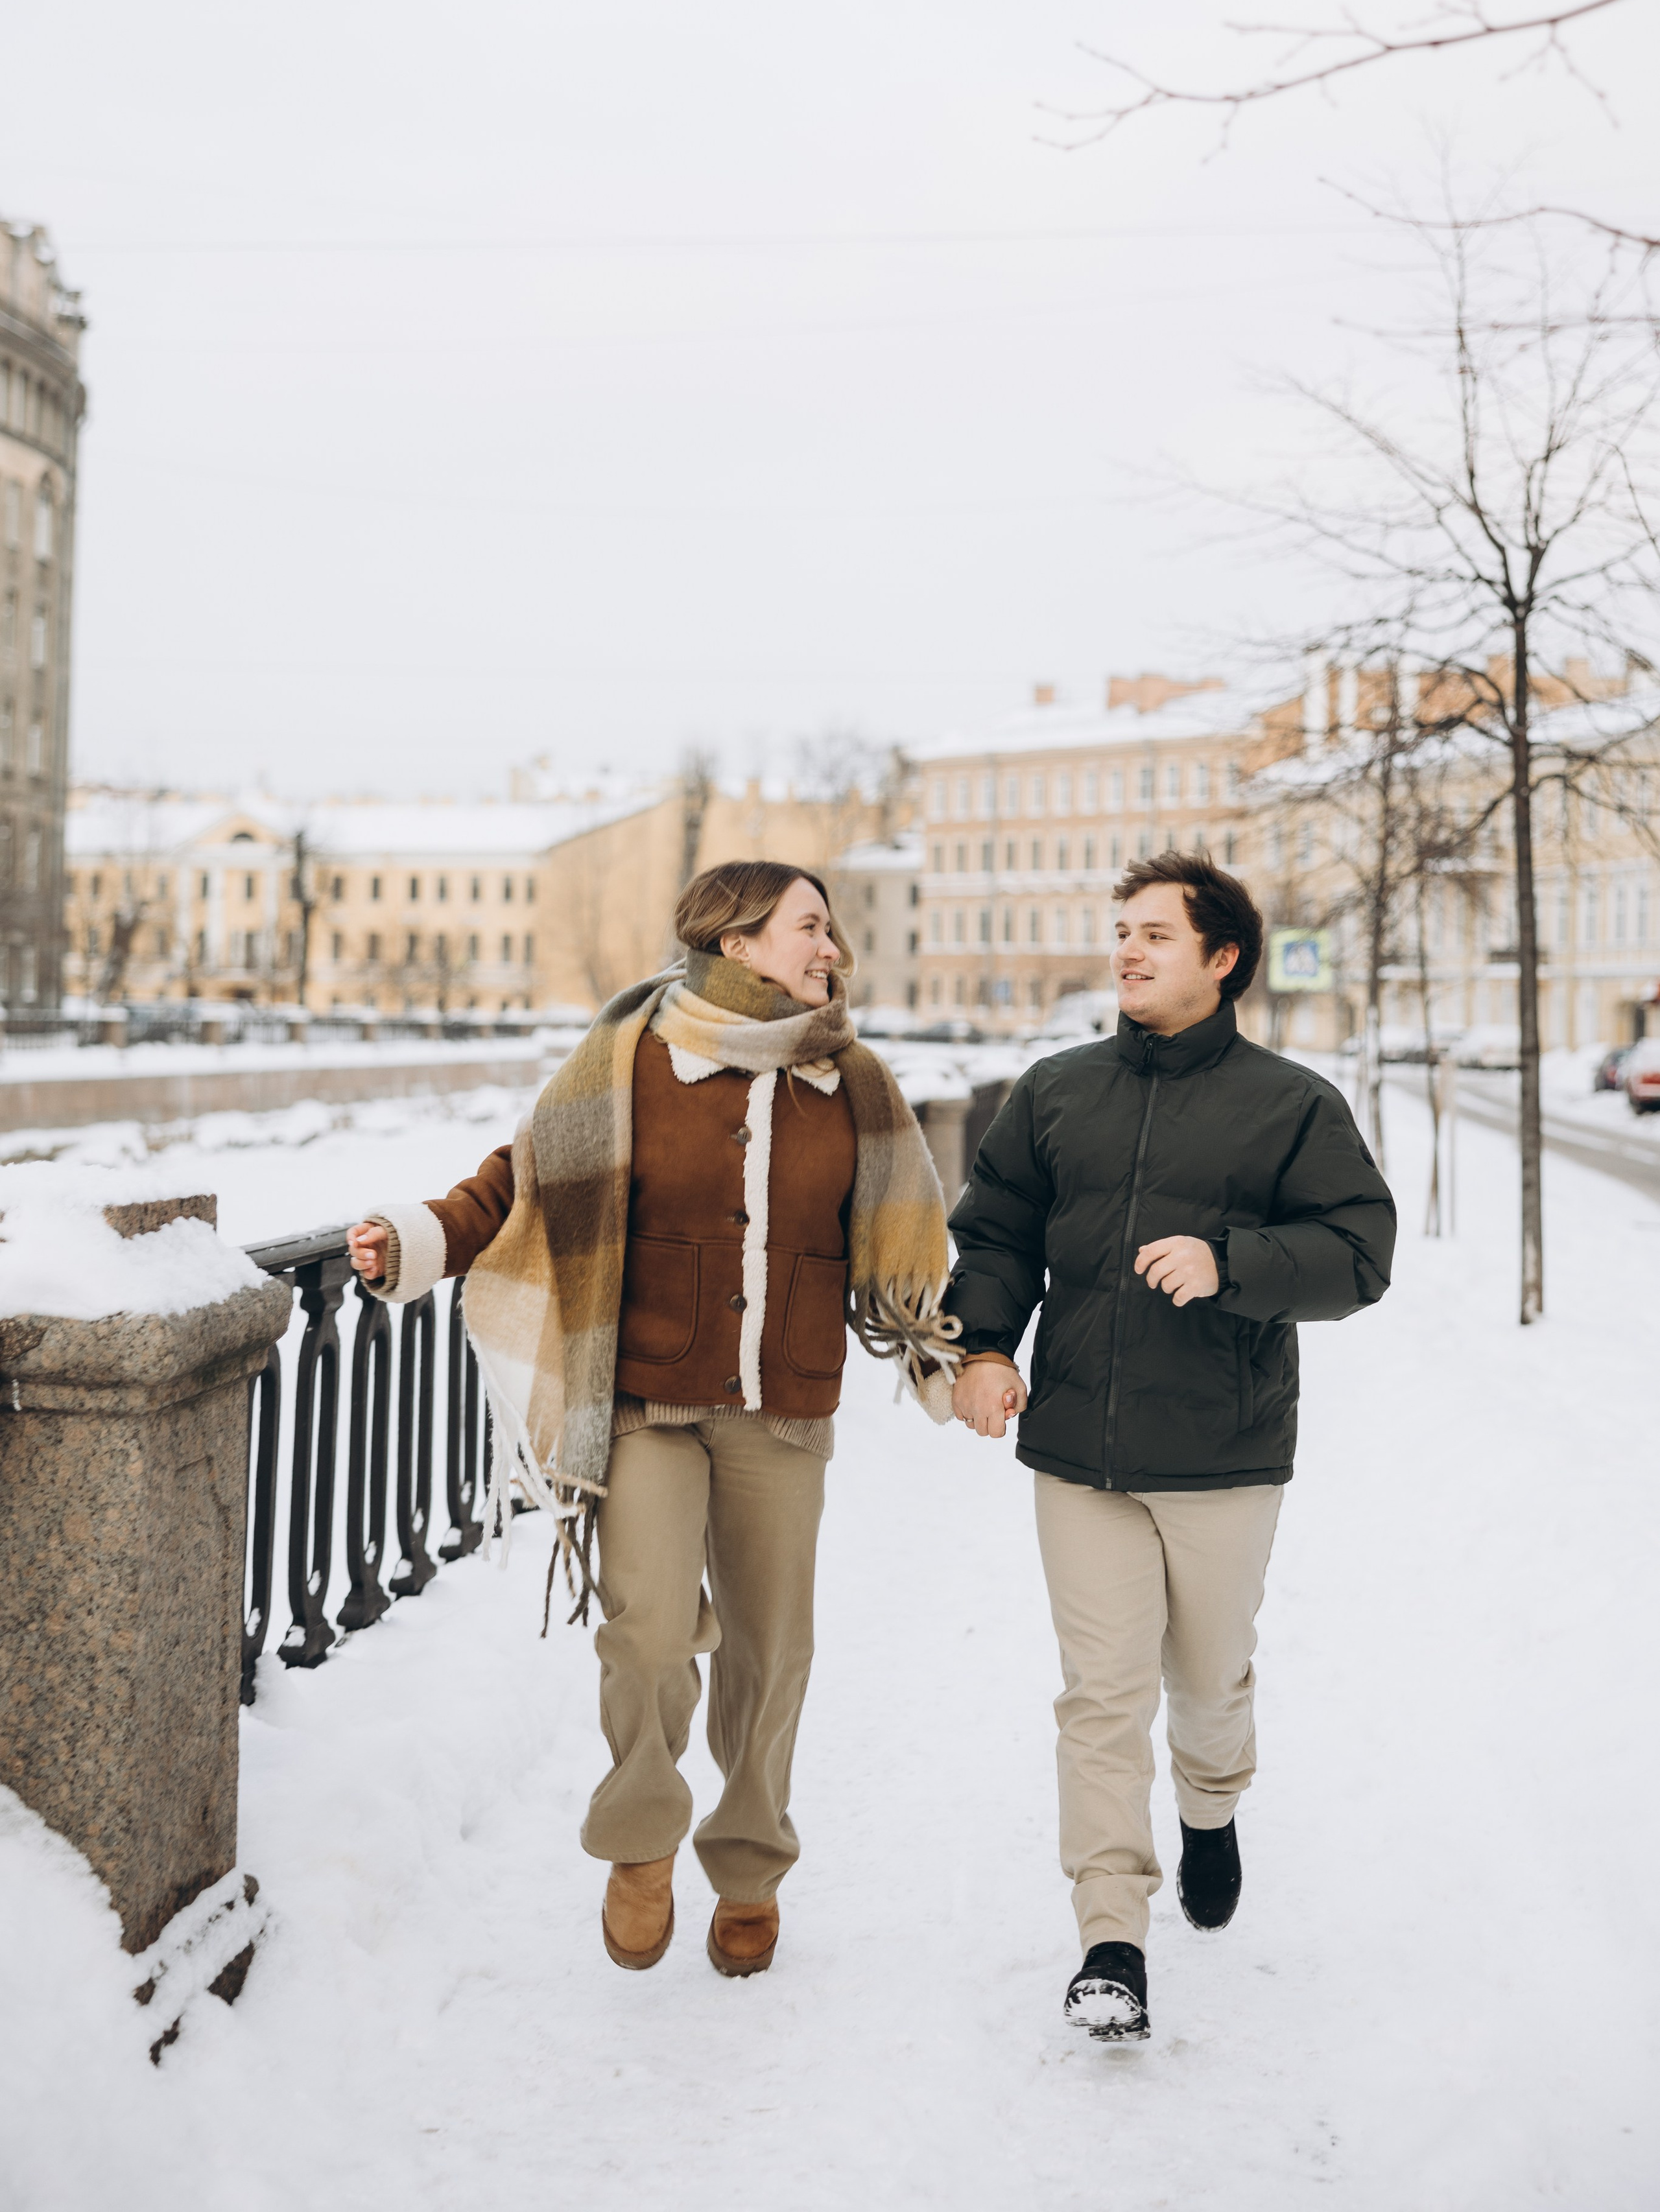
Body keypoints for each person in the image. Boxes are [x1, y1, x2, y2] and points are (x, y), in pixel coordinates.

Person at [346, 861, 958, 1980]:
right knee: (646, 1628)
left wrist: (949, 1357)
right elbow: (517, 1184)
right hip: (642, 1396)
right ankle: (640, 1841)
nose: (833, 948)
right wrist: (419, 1241)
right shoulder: (625, 1059)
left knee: (775, 1652)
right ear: (737, 942)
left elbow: (907, 1240)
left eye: (831, 929)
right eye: (810, 927)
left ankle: (751, 1866)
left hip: (785, 1403)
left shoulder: (854, 1080)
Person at [945, 852, 1395, 2043]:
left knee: (1207, 1682)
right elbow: (994, 1232)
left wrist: (1231, 1263)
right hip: (1077, 1453)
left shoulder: (1292, 1104)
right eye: (1121, 930)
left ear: (1223, 958)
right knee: (1100, 1696)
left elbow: (1360, 1254)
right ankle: (1110, 1936)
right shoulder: (1054, 1091)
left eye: (1154, 933)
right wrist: (984, 1348)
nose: (1128, 950)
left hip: (1222, 1453)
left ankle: (1210, 1809)